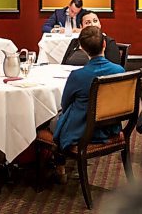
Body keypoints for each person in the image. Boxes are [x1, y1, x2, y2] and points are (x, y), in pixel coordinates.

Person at [51, 26, 125, 182]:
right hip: (110, 128)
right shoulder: (119, 70)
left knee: (48, 120)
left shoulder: (78, 76)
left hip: (83, 131)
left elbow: (65, 104)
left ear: (82, 49)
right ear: (104, 44)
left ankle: (59, 166)